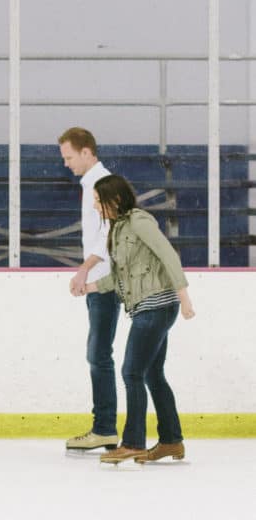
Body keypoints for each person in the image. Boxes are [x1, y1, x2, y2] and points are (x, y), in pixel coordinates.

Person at [85, 173, 195, 464]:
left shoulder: (138, 221)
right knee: (152, 375)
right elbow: (120, 275)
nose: (96, 207)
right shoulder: (118, 229)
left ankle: (133, 442)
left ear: (115, 199)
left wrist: (185, 298)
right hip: (148, 307)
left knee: (131, 372)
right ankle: (172, 441)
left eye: (99, 201)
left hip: (157, 305)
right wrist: (89, 286)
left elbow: (168, 254)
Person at [59, 127, 119, 451]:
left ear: (87, 152)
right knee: (98, 353)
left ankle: (105, 427)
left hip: (104, 281)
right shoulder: (90, 183)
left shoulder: (102, 183)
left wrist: (83, 270)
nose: (66, 163)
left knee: (99, 354)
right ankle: (105, 426)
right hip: (97, 280)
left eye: (69, 157)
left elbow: (109, 233)